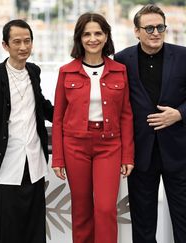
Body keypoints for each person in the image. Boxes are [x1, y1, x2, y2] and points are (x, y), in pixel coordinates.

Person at [114, 4, 186, 243]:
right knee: (143, 221)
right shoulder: (121, 59)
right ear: (136, 31)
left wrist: (179, 113)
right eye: (149, 28)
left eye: (160, 27)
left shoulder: (185, 55)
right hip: (140, 154)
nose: (155, 32)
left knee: (185, 215)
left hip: (178, 151)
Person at [52, 12, 135, 243]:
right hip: (75, 145)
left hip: (109, 146)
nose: (93, 39)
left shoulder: (119, 70)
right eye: (87, 34)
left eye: (98, 33)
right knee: (81, 210)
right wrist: (57, 158)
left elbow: (126, 115)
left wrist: (127, 155)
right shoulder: (66, 71)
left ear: (106, 36)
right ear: (79, 38)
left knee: (106, 208)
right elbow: (58, 118)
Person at [0, 19, 53, 243]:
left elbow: (42, 105)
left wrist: (72, 115)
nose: (23, 47)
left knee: (33, 228)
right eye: (16, 41)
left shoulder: (34, 72)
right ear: (5, 45)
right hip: (3, 166)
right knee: (2, 231)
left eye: (27, 41)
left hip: (33, 163)